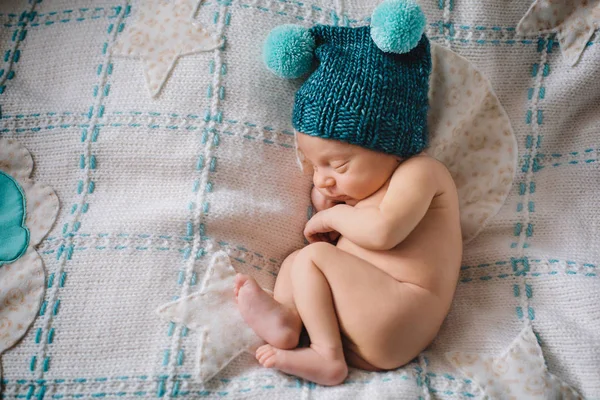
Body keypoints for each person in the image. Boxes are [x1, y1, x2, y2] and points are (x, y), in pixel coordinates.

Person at [235, 0, 462, 385]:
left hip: (403, 312)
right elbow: (349, 239)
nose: (323, 178)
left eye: (338, 165)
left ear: (390, 144)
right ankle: (289, 322)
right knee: (298, 260)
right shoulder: (362, 193)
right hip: (362, 318)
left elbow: (383, 232)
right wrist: (328, 200)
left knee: (314, 258)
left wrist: (329, 216)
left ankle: (327, 357)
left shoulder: (422, 173)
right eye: (314, 166)